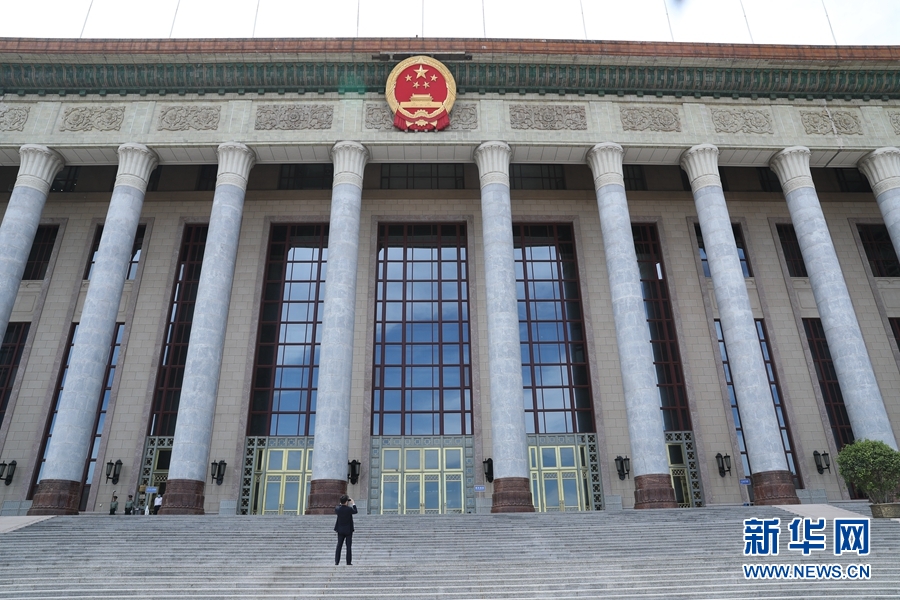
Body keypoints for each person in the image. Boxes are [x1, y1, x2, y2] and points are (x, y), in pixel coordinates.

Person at [333, 494, 357, 566]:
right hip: (348, 530)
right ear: (346, 502)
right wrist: (353, 503)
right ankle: (348, 562)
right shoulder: (349, 509)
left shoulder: (338, 509)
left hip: (340, 529)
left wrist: (342, 502)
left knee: (339, 546)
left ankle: (337, 561)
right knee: (348, 546)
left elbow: (338, 507)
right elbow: (355, 511)